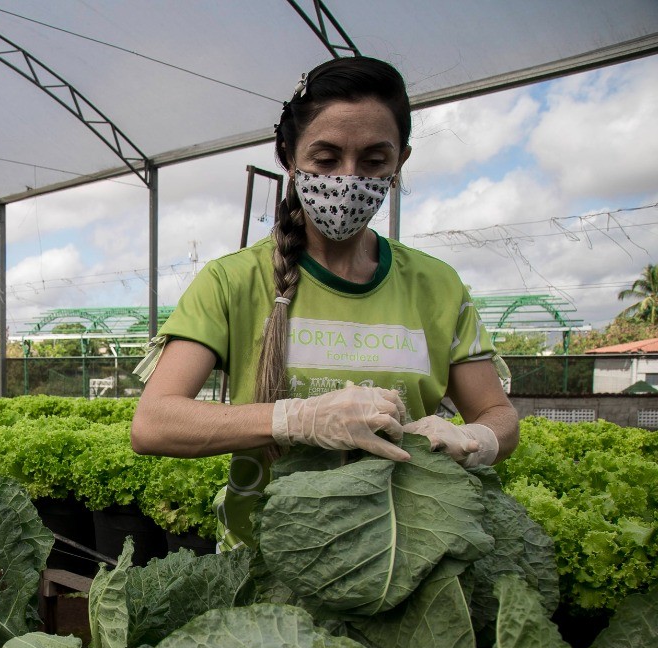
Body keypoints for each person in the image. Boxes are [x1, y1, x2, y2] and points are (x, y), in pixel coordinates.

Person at [130, 57, 518, 549]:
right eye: (326, 159)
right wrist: (300, 419)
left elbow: (497, 415)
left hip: (406, 550)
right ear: (288, 156)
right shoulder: (233, 281)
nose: (348, 179)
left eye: (375, 161)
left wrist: (478, 439)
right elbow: (153, 423)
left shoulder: (437, 286)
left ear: (401, 160)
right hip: (266, 563)